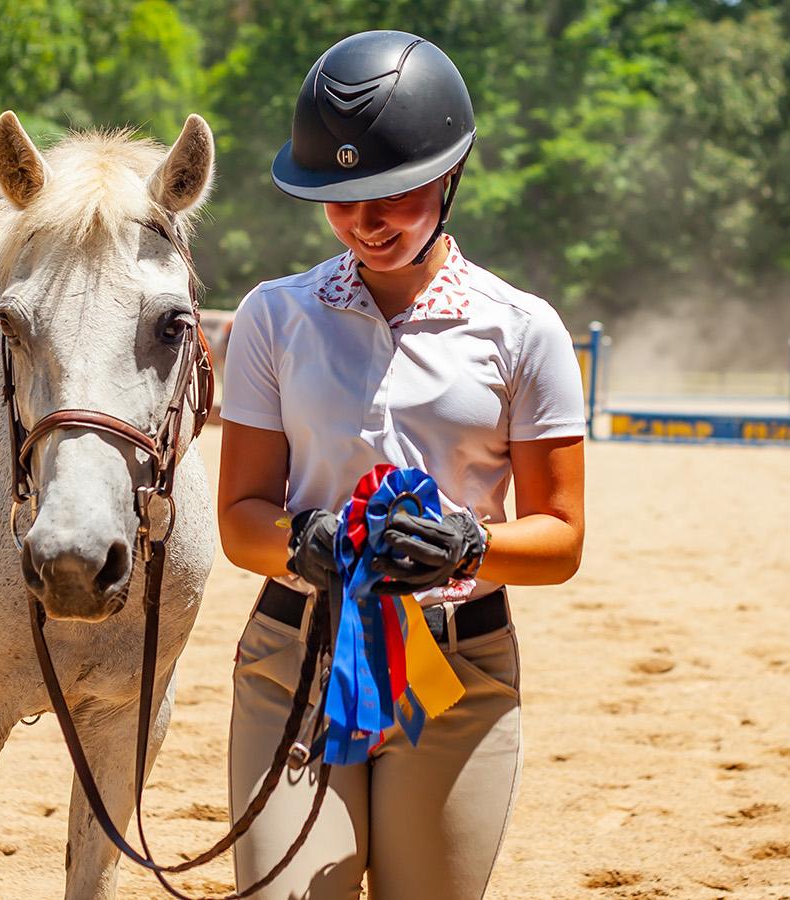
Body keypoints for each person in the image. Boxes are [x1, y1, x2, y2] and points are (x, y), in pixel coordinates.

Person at [217, 30, 588, 899]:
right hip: (295, 660)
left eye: (391, 193)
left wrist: (467, 545)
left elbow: (562, 539)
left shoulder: (524, 331)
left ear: (450, 175)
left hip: (456, 672)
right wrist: (302, 539)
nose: (364, 221)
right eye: (339, 200)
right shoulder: (273, 318)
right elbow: (240, 517)